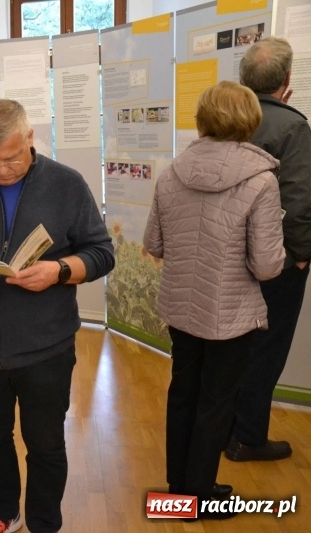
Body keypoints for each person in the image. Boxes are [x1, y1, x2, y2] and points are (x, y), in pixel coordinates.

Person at [0, 99, 114, 533]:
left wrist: (60, 271)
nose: (2, 169)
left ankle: (45, 522)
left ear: (29, 137)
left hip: (45, 348)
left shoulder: (67, 185)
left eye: (10, 157)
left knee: (45, 443)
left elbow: (102, 253)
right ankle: (3, 512)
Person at [144, 81, 285, 520]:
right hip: (231, 313)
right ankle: (201, 497)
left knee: (183, 391)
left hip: (182, 310)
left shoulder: (172, 172)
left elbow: (154, 242)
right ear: (250, 120)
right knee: (217, 401)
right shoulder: (262, 181)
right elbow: (266, 267)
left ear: (203, 118)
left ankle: (177, 491)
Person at [227, 36, 311, 462]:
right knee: (267, 348)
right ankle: (248, 437)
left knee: (232, 346)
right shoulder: (293, 126)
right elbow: (298, 202)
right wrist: (300, 254)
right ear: (287, 80)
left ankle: (223, 431)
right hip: (275, 261)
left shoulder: (225, 118)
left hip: (226, 255)